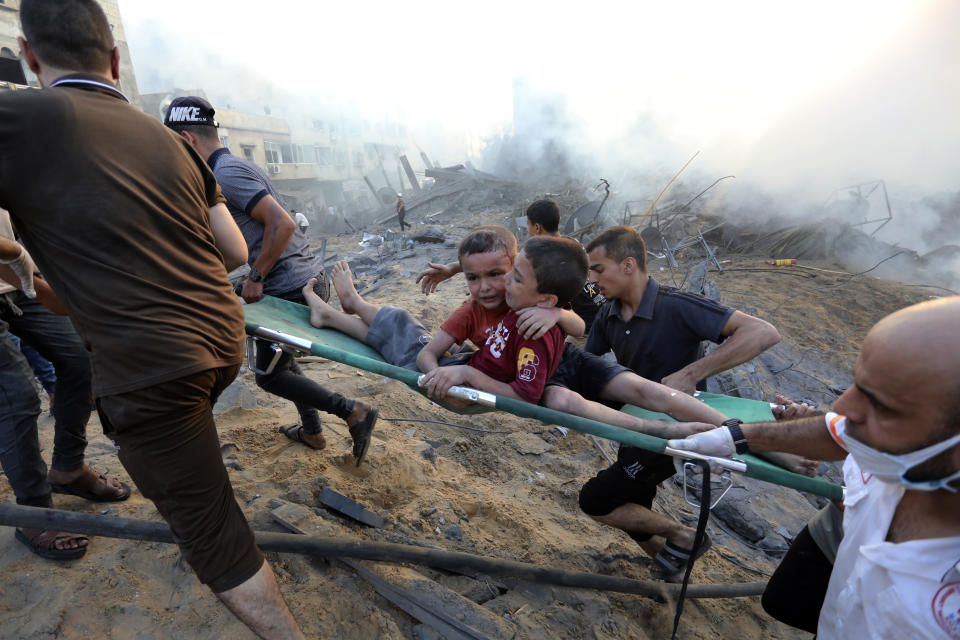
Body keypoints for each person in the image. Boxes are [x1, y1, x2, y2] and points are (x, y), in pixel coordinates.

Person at [1, 2, 305, 636]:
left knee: (211, 529)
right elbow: (234, 250)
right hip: (221, 342)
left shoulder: (24, 115)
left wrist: (11, 253)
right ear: (113, 62)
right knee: (182, 443)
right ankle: (80, 466)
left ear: (30, 57)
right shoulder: (172, 139)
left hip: (152, 366)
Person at [667, 296, 960, 639]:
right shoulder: (912, 453)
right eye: (857, 384)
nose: (841, 406)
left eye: (880, 404)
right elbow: (833, 430)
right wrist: (734, 437)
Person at [165, 96, 378, 460]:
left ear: (186, 139)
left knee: (269, 375)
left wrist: (257, 276)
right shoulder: (233, 166)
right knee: (281, 359)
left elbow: (283, 223)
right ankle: (312, 432)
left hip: (290, 288)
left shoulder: (224, 174)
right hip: (303, 278)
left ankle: (351, 411)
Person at [576, 225, 783, 580]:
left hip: (681, 431)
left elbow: (763, 332)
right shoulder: (608, 315)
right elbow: (587, 367)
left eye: (598, 269)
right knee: (633, 506)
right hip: (640, 427)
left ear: (628, 265)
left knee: (597, 500)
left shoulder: (677, 306)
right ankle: (671, 569)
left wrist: (691, 373)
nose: (591, 280)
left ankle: (687, 536)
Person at [0, 211, 129, 560]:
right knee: (16, 398)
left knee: (82, 359)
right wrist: (16, 255)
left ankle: (68, 468)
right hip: (12, 264)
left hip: (13, 280)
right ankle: (34, 512)